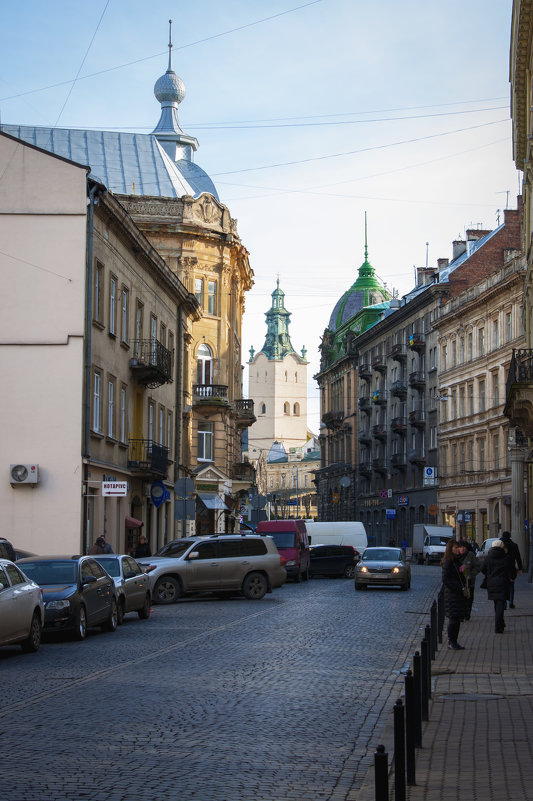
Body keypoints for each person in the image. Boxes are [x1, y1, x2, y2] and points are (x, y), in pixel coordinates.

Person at [481, 539, 517, 633]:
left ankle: (500, 623)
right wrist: (511, 577)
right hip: (503, 583)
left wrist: (489, 574)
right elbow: (512, 570)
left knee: (497, 603)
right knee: (501, 603)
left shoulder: (488, 557)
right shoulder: (506, 557)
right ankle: (498, 625)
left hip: (491, 583)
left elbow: (483, 569)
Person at [441, 539, 469, 650]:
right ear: (450, 549)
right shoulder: (449, 561)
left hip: (457, 594)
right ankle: (451, 641)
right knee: (453, 619)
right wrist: (457, 588)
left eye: (458, 547)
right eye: (456, 547)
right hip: (452, 595)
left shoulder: (457, 560)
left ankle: (454, 641)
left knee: (457, 619)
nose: (458, 549)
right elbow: (445, 579)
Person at [457, 539, 480, 620]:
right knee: (460, 599)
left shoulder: (470, 555)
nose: (462, 549)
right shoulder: (456, 556)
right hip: (459, 582)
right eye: (460, 547)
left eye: (463, 547)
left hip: (469, 582)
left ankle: (467, 614)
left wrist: (472, 575)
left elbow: (477, 566)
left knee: (469, 598)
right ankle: (461, 614)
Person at [500, 531, 522, 608]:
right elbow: (518, 557)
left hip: (502, 568)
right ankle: (511, 602)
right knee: (511, 585)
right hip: (511, 568)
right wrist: (520, 568)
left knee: (503, 586)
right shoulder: (514, 545)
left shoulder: (500, 545)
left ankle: (504, 603)